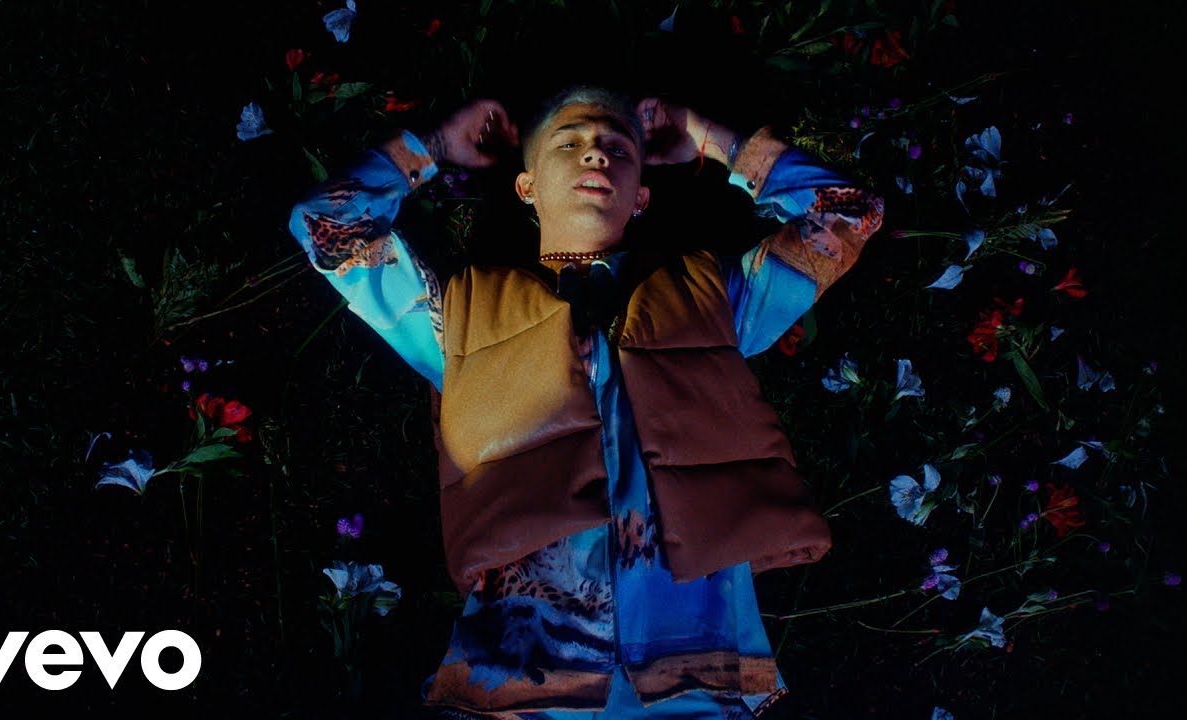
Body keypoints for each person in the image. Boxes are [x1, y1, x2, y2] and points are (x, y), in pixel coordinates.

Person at [288, 86, 884, 719]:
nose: (595, 154)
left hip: (694, 678)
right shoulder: (458, 321)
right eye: (568, 143)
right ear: (527, 187)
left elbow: (848, 214)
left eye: (617, 147)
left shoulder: (713, 301)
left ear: (642, 195)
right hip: (524, 682)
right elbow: (324, 224)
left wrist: (714, 141)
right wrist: (430, 147)